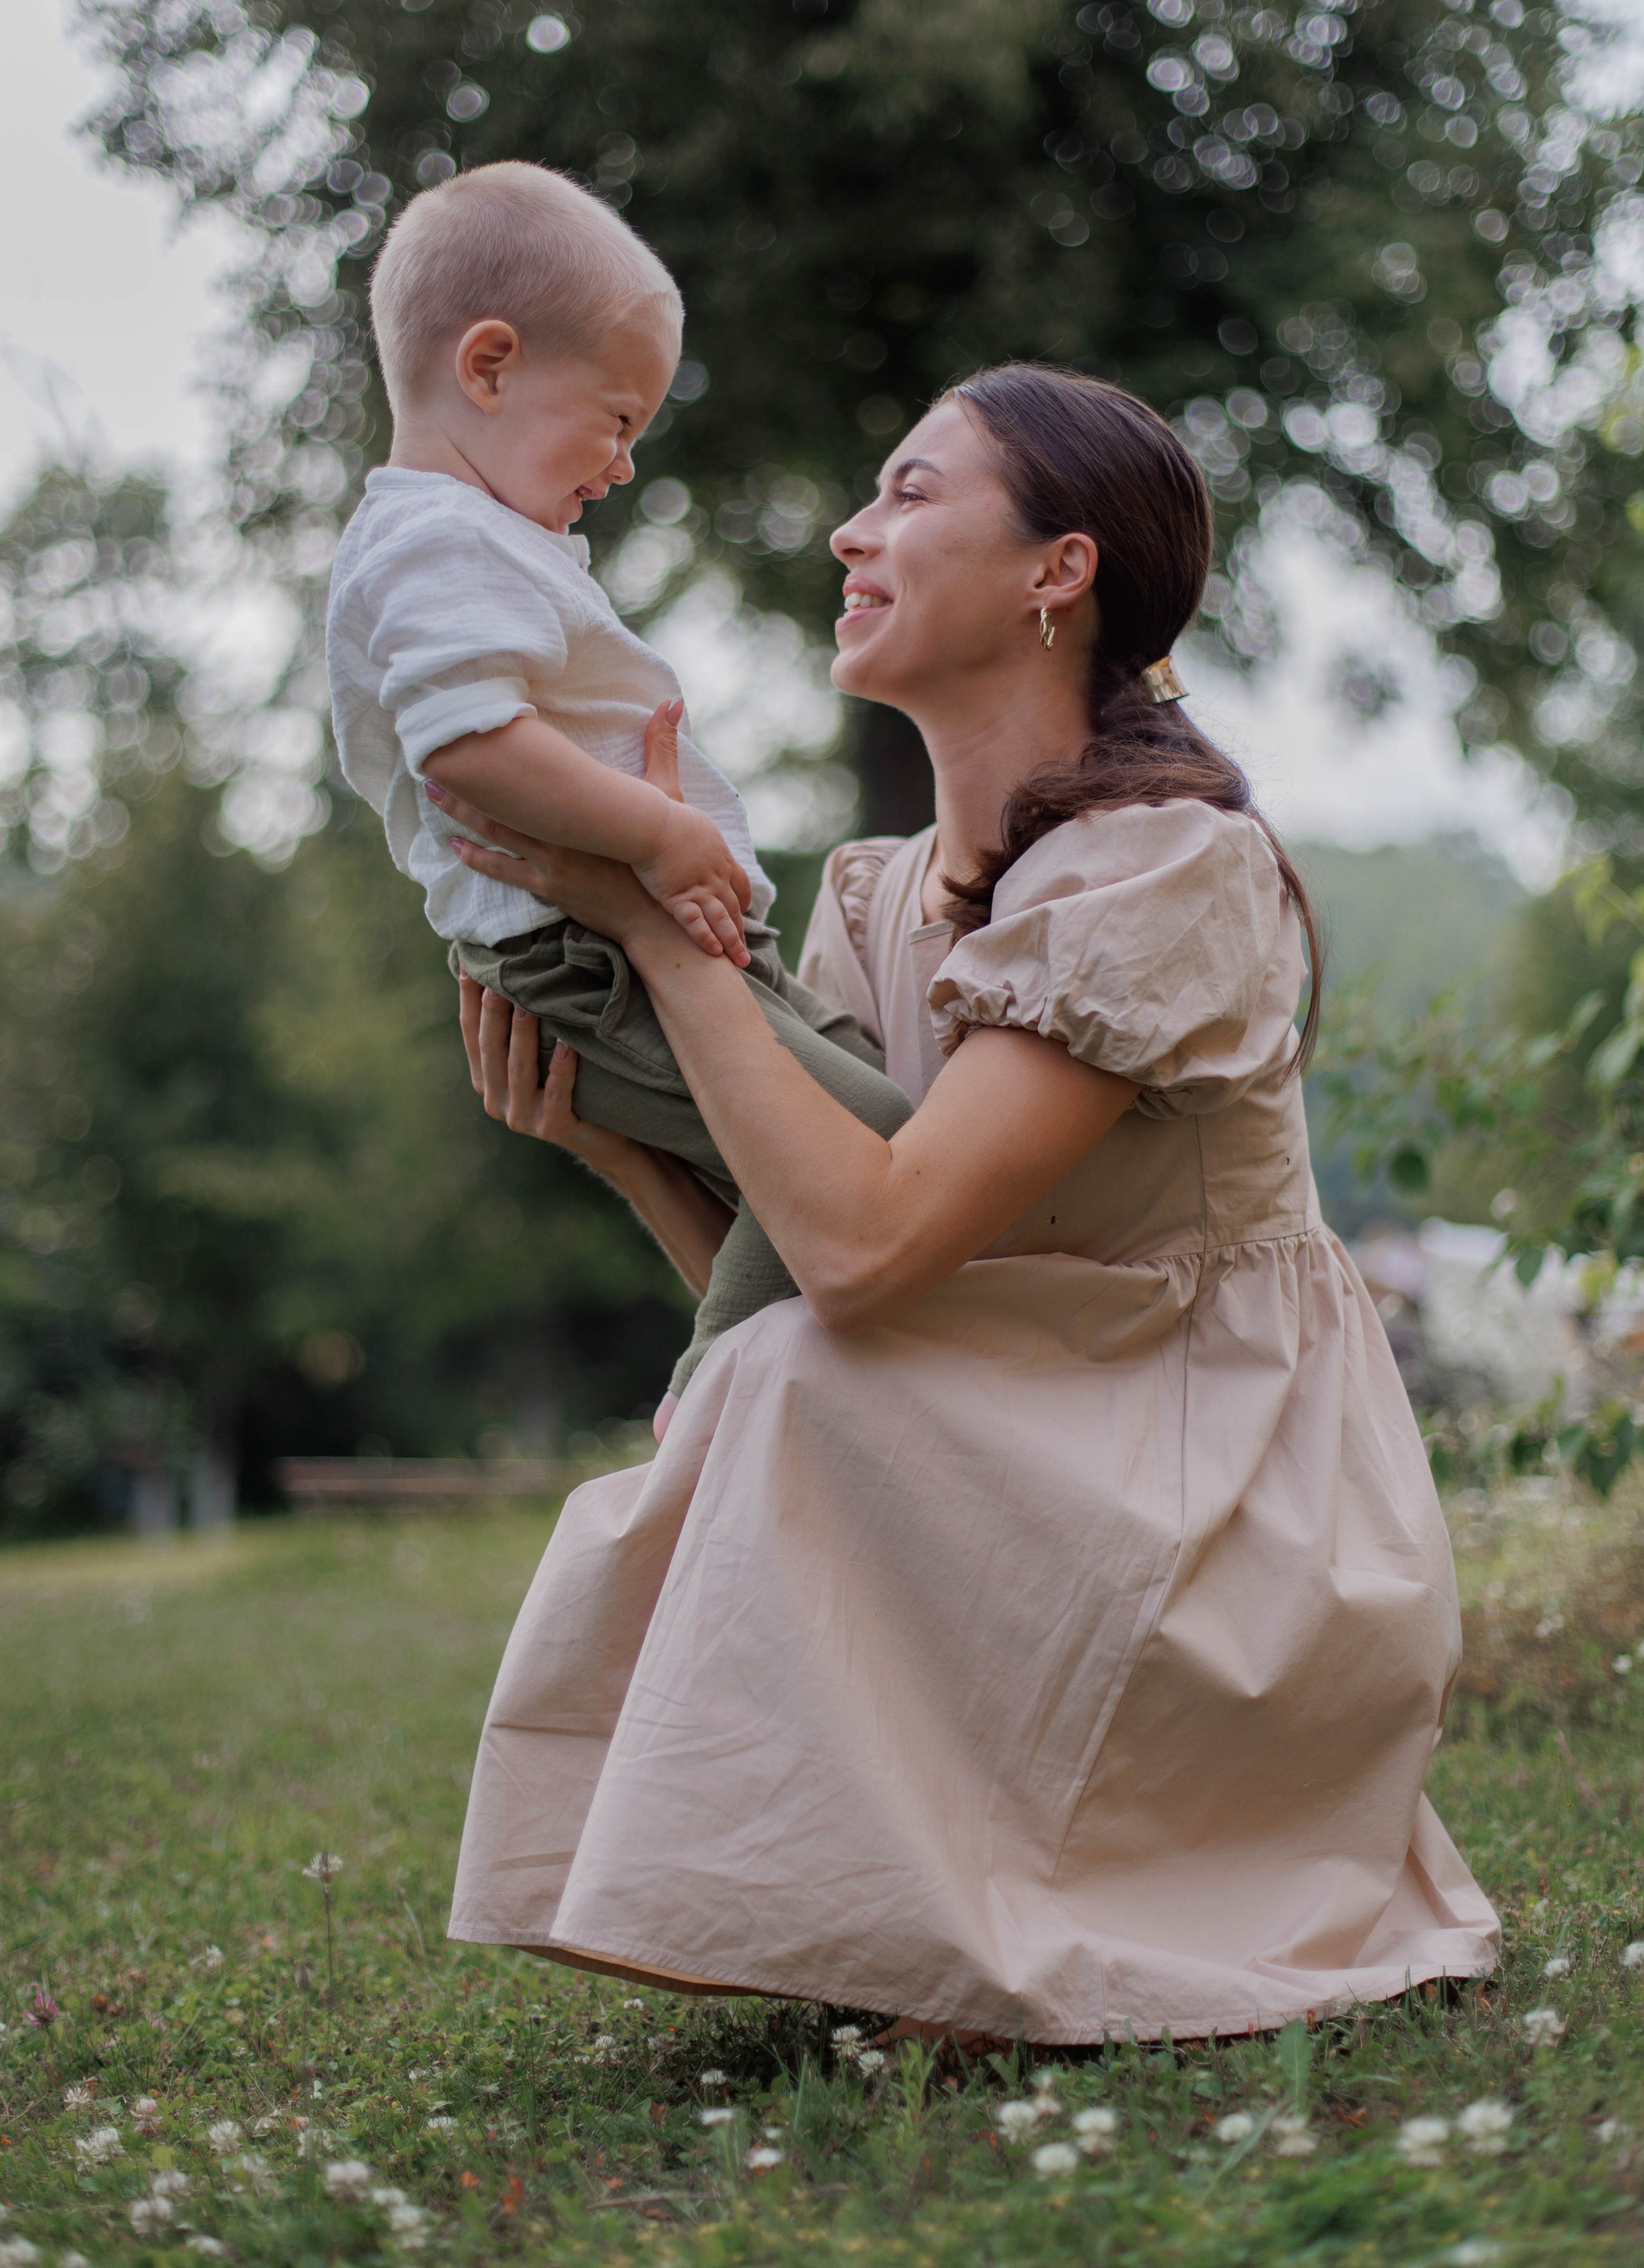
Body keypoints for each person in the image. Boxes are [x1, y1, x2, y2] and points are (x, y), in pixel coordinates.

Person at [438, 363, 1500, 2048]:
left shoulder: (1165, 865)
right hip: (1051, 1431)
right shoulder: (878, 903)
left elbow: (859, 1263)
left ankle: (1037, 1883)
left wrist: (659, 933)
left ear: (1053, 572)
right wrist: (625, 1153)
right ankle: (891, 1897)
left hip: (1228, 1495)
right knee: (773, 1382)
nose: (854, 533)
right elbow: (819, 1294)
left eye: (912, 494)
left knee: (790, 1377)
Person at [326, 160, 911, 1411]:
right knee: (871, 1148)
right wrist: (657, 835)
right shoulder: (435, 539)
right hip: (581, 961)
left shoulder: (479, 537)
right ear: (488, 368)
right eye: (617, 419)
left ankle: (756, 1420)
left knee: (865, 1123)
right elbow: (468, 747)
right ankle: (713, 1426)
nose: (627, 462)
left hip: (638, 942)